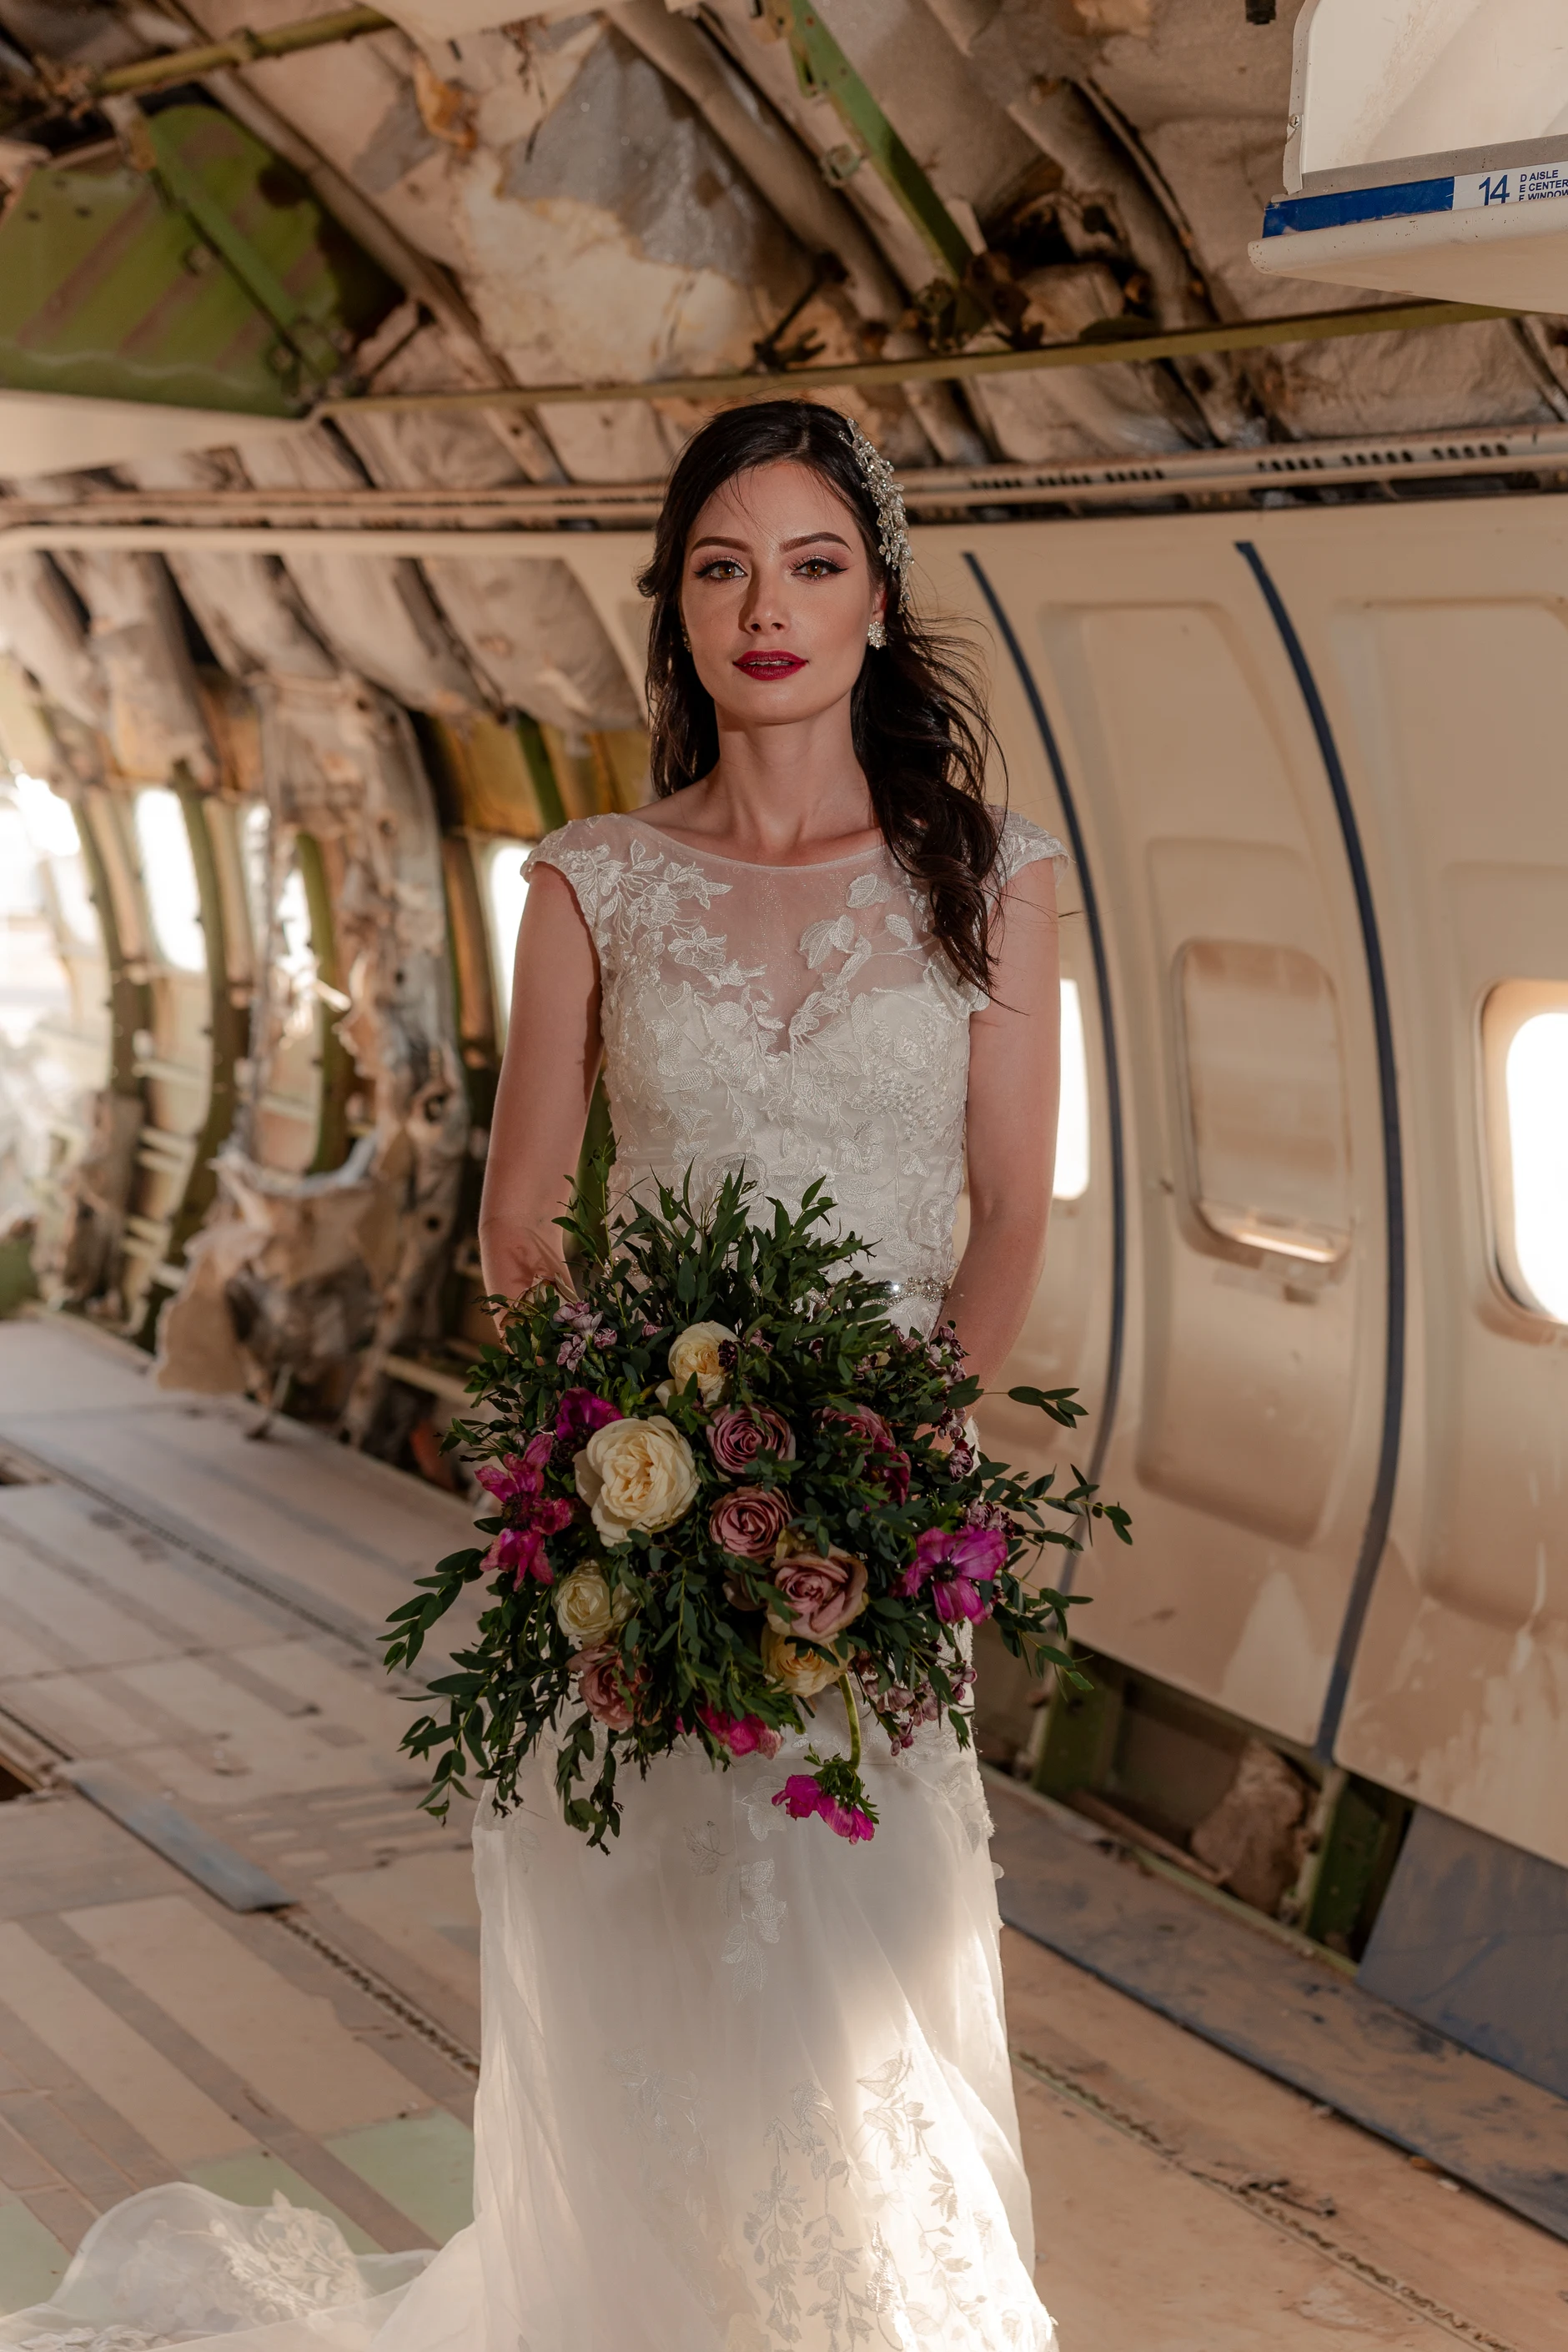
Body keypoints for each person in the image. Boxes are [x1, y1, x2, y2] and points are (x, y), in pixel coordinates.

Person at [3, 401, 1063, 2351]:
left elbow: (1008, 1210)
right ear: (674, 605)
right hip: (648, 1525)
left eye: (814, 563)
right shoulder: (590, 878)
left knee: (876, 1952)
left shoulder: (994, 882)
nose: (770, 606)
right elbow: (521, 1231)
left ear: (879, 601)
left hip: (881, 1530)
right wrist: (630, 1455)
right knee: (666, 1961)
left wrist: (892, 1456)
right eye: (725, 565)